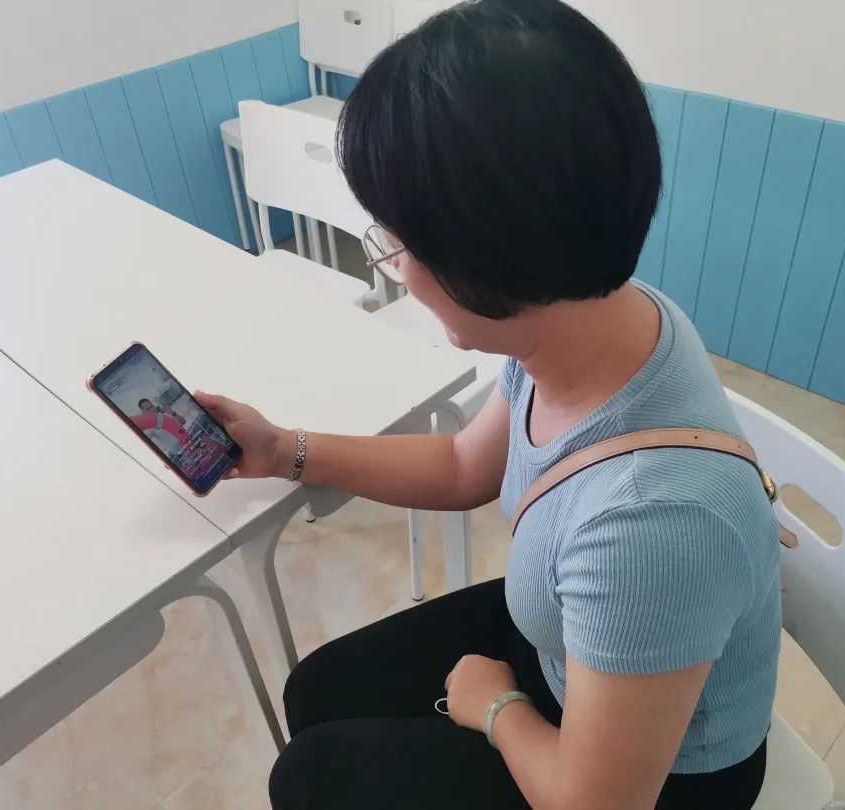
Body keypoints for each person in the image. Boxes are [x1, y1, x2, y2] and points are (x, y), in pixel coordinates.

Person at [196, 0, 780, 807]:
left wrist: (498, 709)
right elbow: (462, 466)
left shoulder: (652, 522)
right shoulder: (594, 322)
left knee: (309, 776)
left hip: (662, 780)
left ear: (489, 257)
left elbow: (596, 804)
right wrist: (284, 449)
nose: (394, 267)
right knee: (317, 692)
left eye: (394, 243)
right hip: (573, 651)